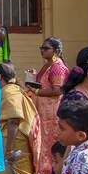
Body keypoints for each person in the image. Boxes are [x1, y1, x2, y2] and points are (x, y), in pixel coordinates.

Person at [0, 62, 41, 174]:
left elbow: (14, 120)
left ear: (0, 77)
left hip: (14, 141)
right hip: (20, 141)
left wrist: (8, 149)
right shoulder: (16, 90)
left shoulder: (9, 92)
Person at [29, 37, 68, 167]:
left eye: (46, 48)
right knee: (42, 143)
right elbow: (45, 84)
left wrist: (36, 92)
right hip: (43, 111)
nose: (42, 51)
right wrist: (33, 77)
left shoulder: (57, 67)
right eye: (41, 48)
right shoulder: (49, 64)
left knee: (49, 144)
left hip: (52, 113)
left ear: (56, 51)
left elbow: (58, 90)